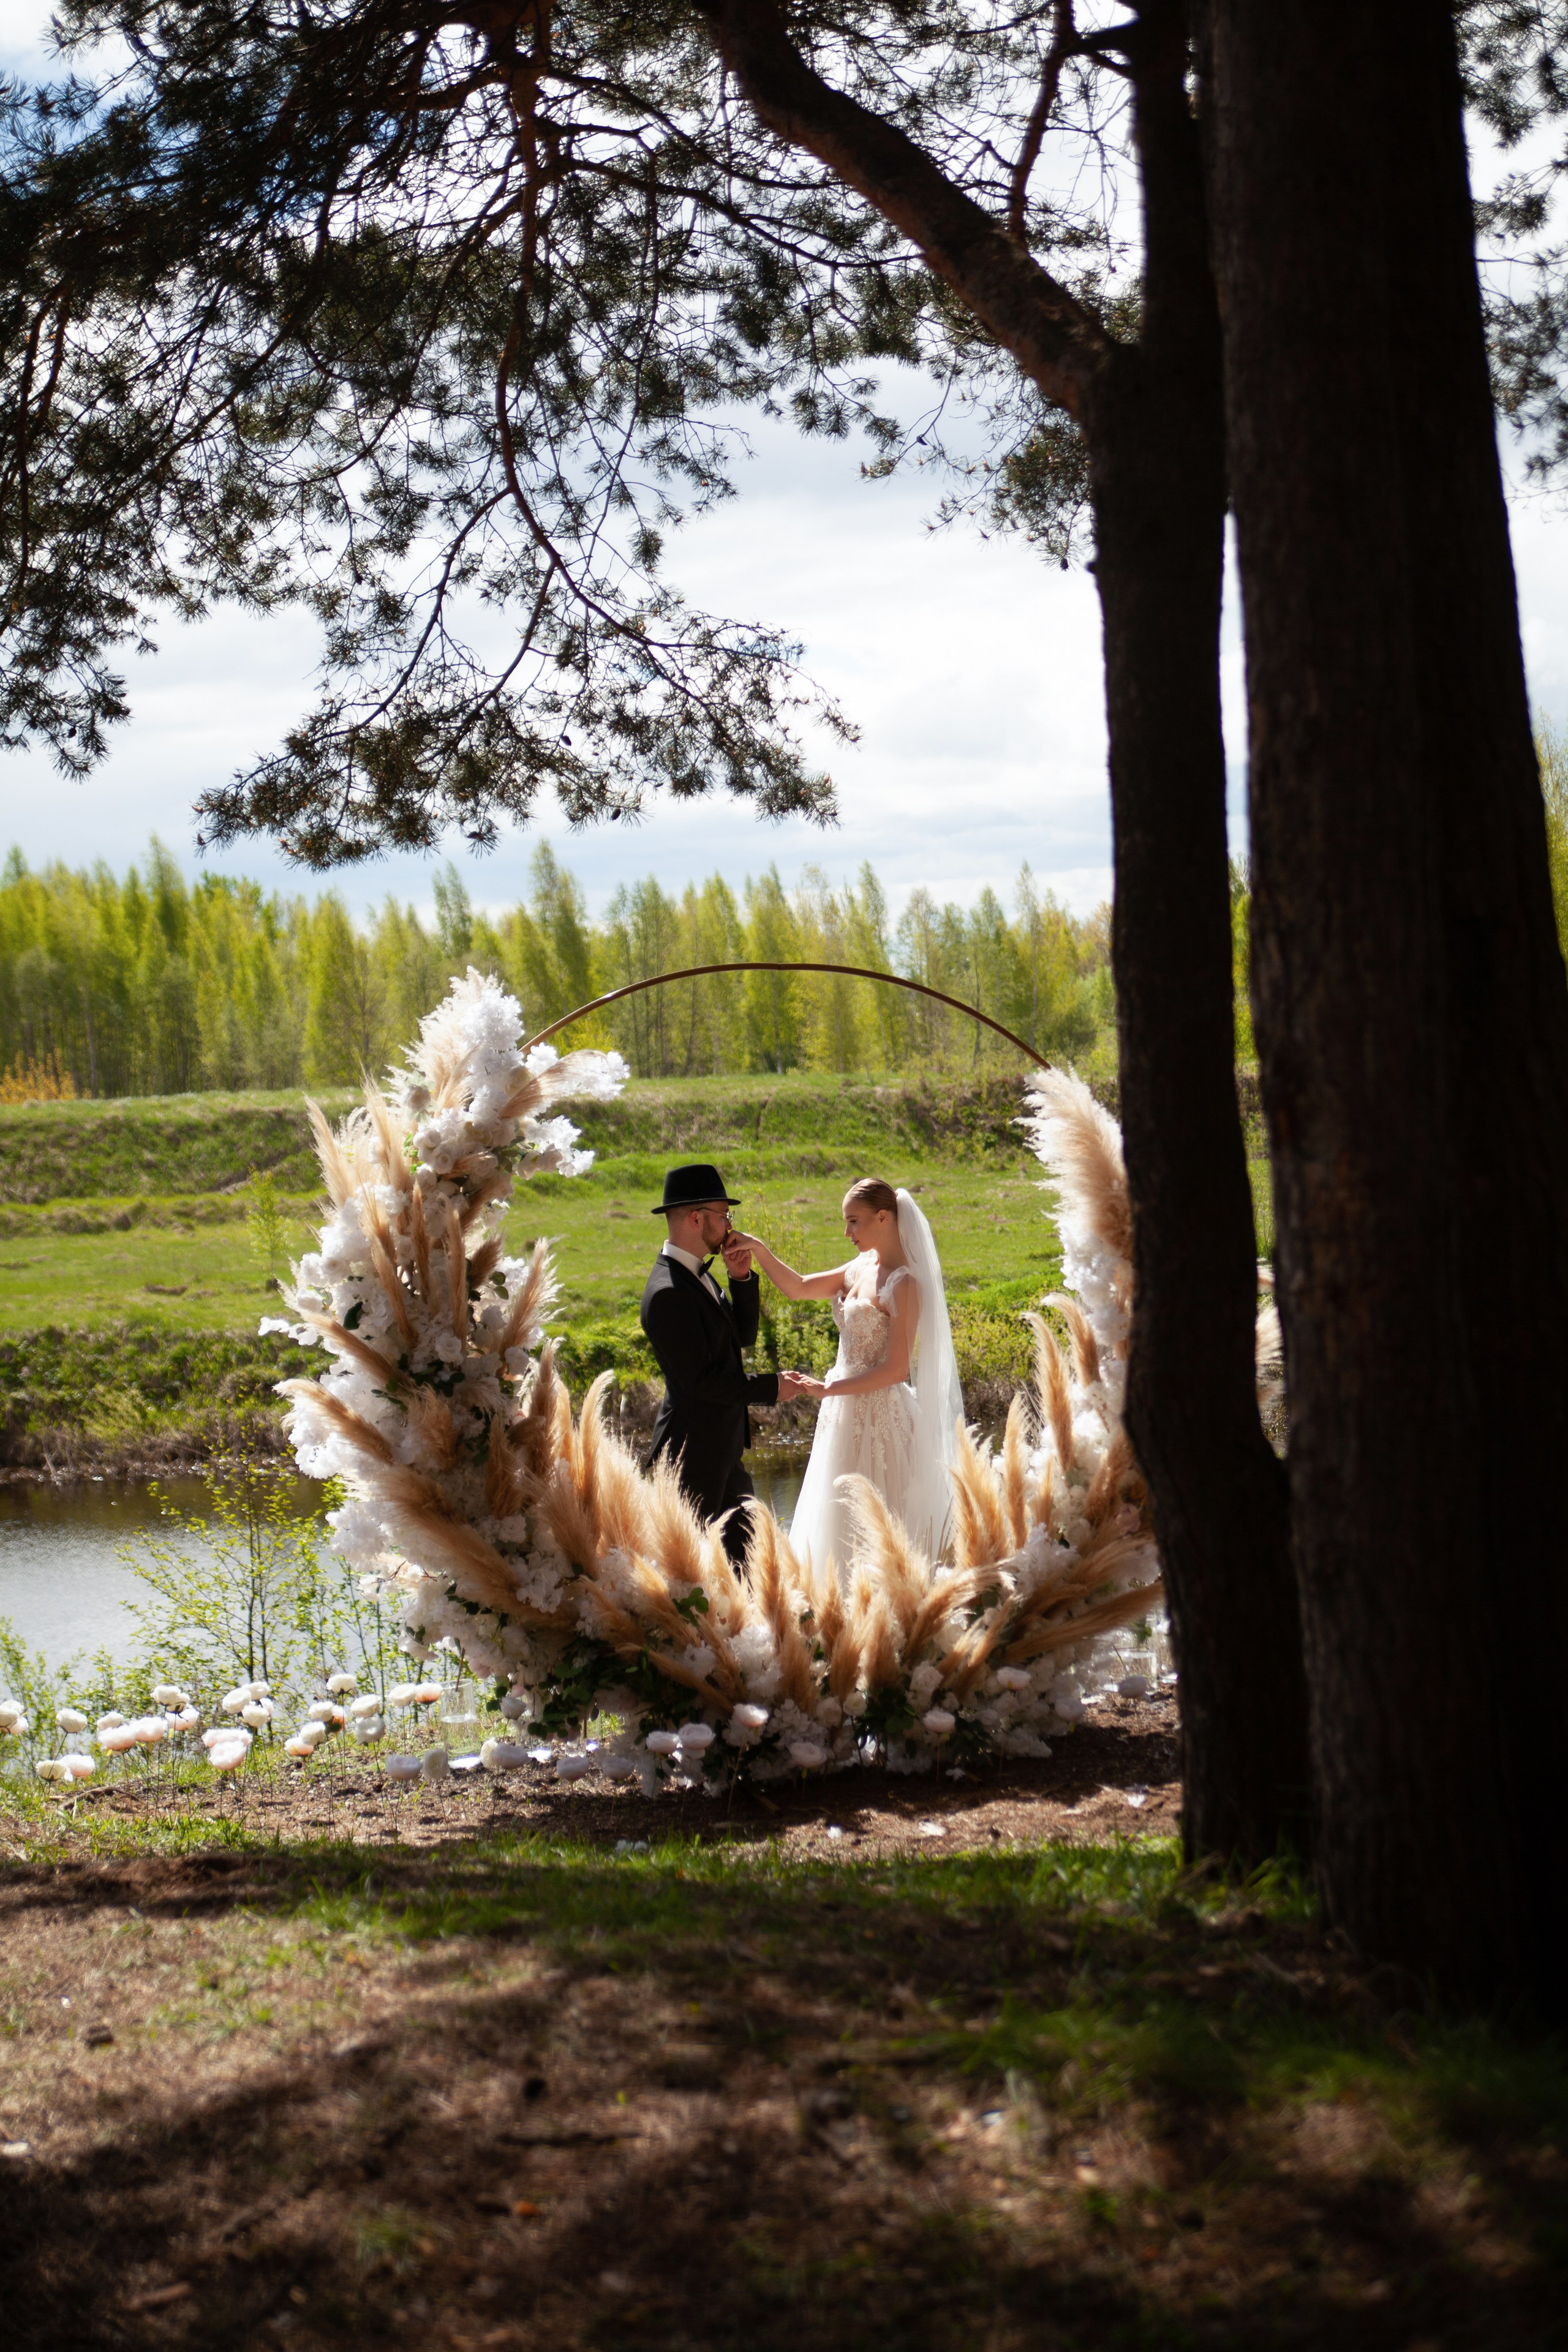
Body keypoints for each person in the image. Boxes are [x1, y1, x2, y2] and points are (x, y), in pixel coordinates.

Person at [729, 1178, 963, 1579]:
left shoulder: (904, 1283)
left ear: (883, 1217)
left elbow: (896, 1369)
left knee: (883, 1519)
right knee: (835, 1514)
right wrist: (758, 1250)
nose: (847, 1232)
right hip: (841, 1413)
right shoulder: (860, 1268)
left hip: (880, 1417)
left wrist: (829, 1388)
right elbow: (799, 1288)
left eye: (854, 1222)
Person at [639, 1163, 808, 1564]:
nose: (730, 1223)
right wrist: (770, 1388)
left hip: (721, 1456)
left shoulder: (695, 1276)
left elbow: (741, 1338)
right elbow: (702, 1383)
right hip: (691, 1462)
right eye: (724, 1214)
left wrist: (742, 1279)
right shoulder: (668, 1293)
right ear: (697, 1218)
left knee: (749, 1575)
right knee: (699, 1584)